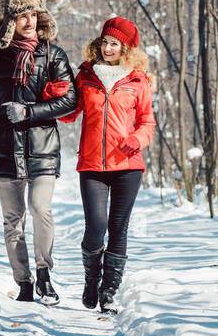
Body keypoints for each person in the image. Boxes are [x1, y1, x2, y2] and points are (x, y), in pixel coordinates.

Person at [0, 0, 76, 305]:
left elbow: (69, 100)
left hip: (42, 146)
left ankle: (44, 274)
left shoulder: (52, 55)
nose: (30, 21)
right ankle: (23, 282)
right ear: (10, 19)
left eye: (34, 15)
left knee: (41, 208)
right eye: (23, 15)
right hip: (3, 145)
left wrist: (30, 111)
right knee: (13, 219)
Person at [58, 17, 155, 313]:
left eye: (115, 43)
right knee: (96, 226)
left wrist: (137, 138)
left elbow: (147, 121)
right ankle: (91, 280)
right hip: (92, 165)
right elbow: (69, 114)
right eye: (105, 42)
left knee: (118, 227)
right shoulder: (86, 76)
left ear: (125, 48)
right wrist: (56, 94)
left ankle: (109, 292)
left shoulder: (137, 80)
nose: (108, 47)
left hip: (128, 165)